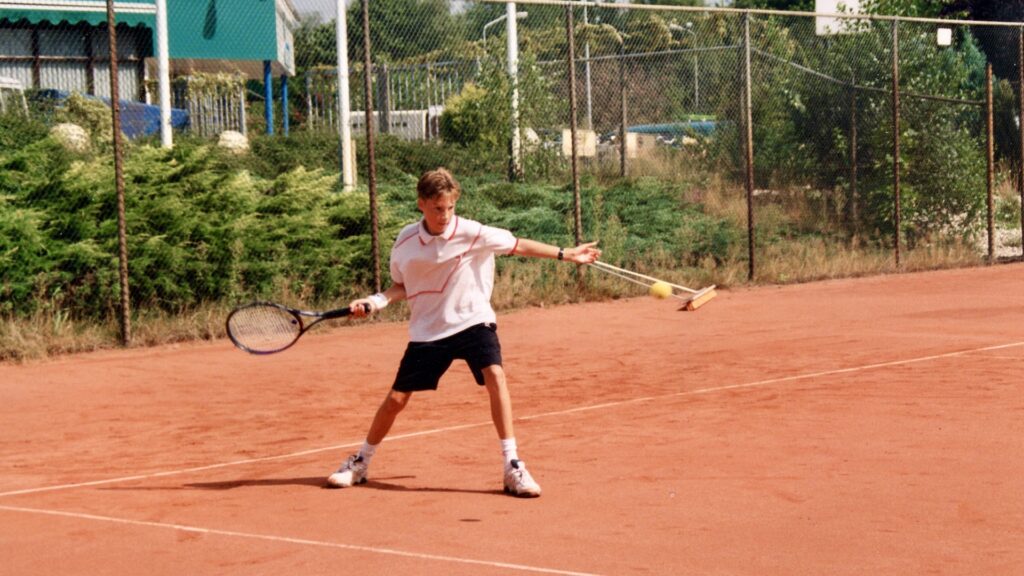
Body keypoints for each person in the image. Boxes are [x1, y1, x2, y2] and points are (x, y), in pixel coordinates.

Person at [326, 167, 601, 497]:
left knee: (495, 375)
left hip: (473, 320)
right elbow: (402, 284)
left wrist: (566, 254)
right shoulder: (405, 241)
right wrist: (376, 301)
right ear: (421, 205)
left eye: (450, 207)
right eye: (438, 208)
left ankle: (513, 465)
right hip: (429, 329)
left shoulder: (472, 232)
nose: (445, 216)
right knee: (397, 400)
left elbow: (518, 246)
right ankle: (360, 462)